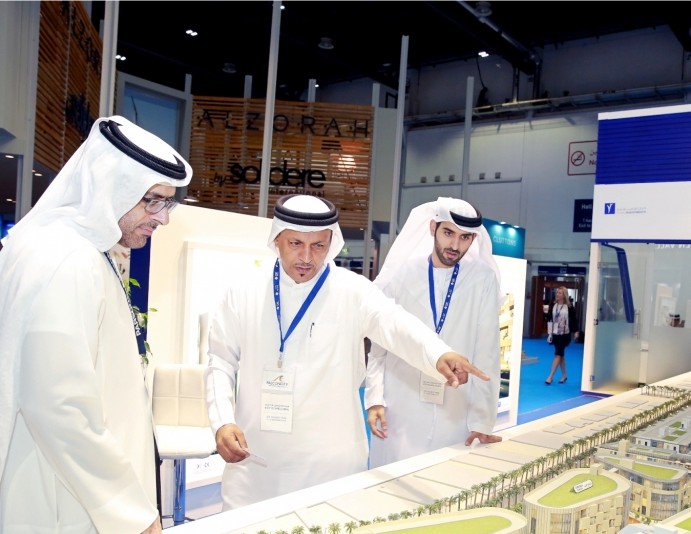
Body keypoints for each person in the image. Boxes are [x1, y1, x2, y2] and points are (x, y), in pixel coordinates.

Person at [0, 117, 192, 534]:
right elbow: (59, 405)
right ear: (109, 186)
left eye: (168, 203)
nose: (162, 218)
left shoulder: (71, 248)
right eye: (152, 201)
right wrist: (126, 507)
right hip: (61, 501)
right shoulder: (66, 260)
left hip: (67, 489)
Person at [205, 194, 489, 510]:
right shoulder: (243, 292)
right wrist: (222, 421)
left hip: (331, 461)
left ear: (332, 244)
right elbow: (220, 360)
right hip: (256, 459)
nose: (306, 257)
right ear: (277, 240)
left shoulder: (352, 290)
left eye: (318, 246)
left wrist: (438, 354)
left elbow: (395, 323)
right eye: (295, 243)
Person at [365, 198, 502, 467]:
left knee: (447, 476)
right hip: (399, 402)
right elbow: (380, 345)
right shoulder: (402, 273)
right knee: (394, 476)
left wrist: (482, 420)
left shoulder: (483, 279)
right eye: (448, 232)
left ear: (474, 238)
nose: (455, 245)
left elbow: (487, 352)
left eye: (464, 237)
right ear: (432, 228)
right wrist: (375, 398)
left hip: (455, 404)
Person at [545, 286, 579, 385]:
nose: (557, 294)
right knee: (560, 355)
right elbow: (550, 318)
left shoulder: (569, 307)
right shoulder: (553, 305)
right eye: (557, 292)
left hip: (565, 333)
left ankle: (550, 376)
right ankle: (564, 375)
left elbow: (574, 319)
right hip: (555, 333)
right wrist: (545, 313)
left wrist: (575, 331)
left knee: (557, 354)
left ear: (564, 295)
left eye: (560, 293)